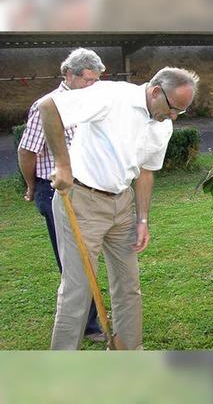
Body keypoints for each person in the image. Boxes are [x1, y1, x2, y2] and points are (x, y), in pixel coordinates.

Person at [39, 66, 199, 350]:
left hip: (122, 205)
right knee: (78, 290)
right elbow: (49, 106)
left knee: (129, 286)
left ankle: (129, 353)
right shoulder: (111, 96)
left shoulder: (163, 125)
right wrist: (62, 165)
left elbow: (146, 172)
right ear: (155, 91)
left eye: (181, 112)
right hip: (82, 200)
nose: (174, 116)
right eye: (174, 108)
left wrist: (143, 220)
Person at [18, 47, 106, 343]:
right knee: (73, 260)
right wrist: (32, 187)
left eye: (96, 80)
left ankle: (91, 318)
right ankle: (88, 325)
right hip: (55, 190)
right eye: (87, 79)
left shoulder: (87, 103)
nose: (92, 85)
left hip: (86, 189)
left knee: (86, 255)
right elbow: (27, 151)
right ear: (68, 74)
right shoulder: (48, 105)